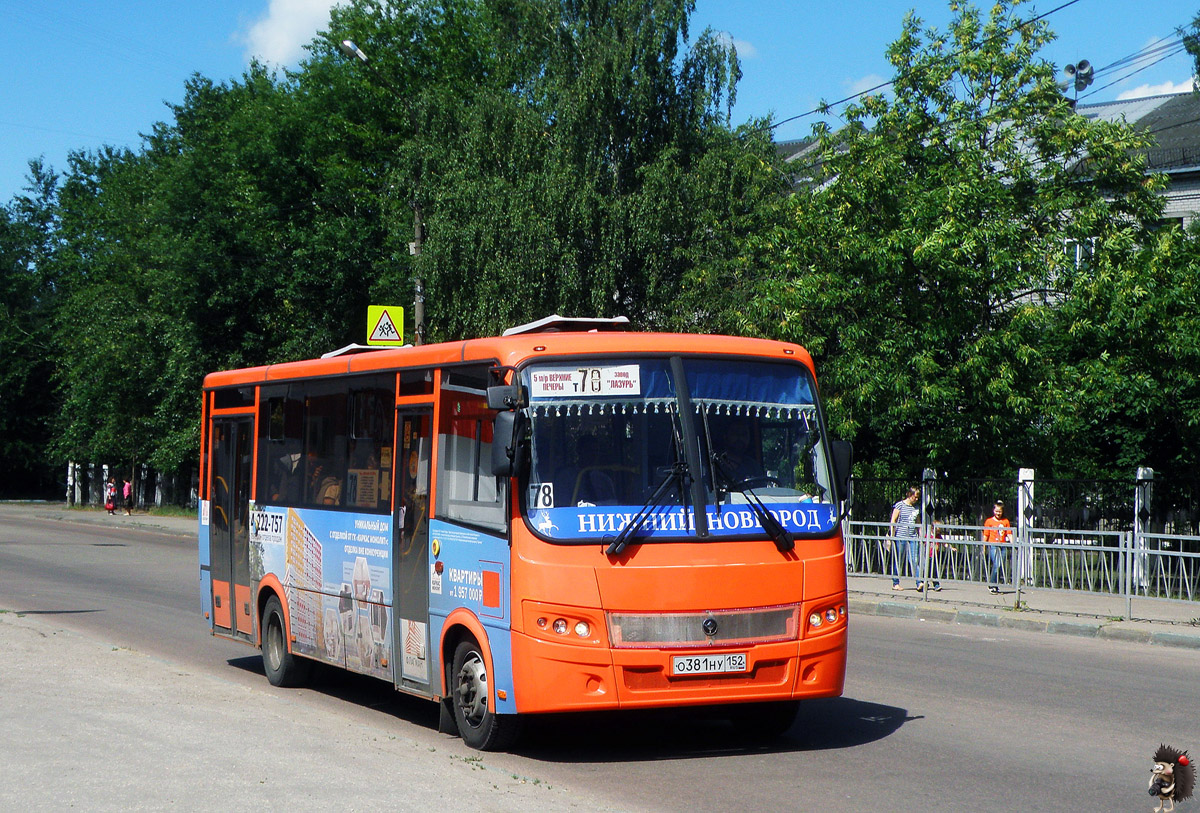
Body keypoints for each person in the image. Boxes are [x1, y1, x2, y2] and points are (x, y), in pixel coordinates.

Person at [889, 486, 934, 591]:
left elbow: (918, 522)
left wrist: (921, 535)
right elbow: (893, 520)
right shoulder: (900, 505)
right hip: (901, 536)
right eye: (915, 497)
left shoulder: (916, 508)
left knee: (914, 560)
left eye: (918, 497)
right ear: (909, 495)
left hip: (913, 537)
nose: (917, 499)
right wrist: (892, 534)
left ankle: (919, 582)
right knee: (898, 560)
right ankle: (895, 583)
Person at [715, 420, 766, 485]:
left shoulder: (754, 467)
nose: (740, 438)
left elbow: (761, 491)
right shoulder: (716, 465)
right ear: (725, 436)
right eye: (735, 434)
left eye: (744, 434)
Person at [983, 499, 1012, 593]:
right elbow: (986, 534)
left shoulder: (1005, 521)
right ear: (993, 511)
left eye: (999, 511)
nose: (998, 513)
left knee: (1000, 566)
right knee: (997, 564)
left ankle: (995, 584)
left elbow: (1009, 533)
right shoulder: (989, 521)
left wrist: (1013, 543)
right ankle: (991, 584)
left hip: (1002, 546)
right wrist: (983, 546)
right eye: (996, 511)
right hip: (993, 545)